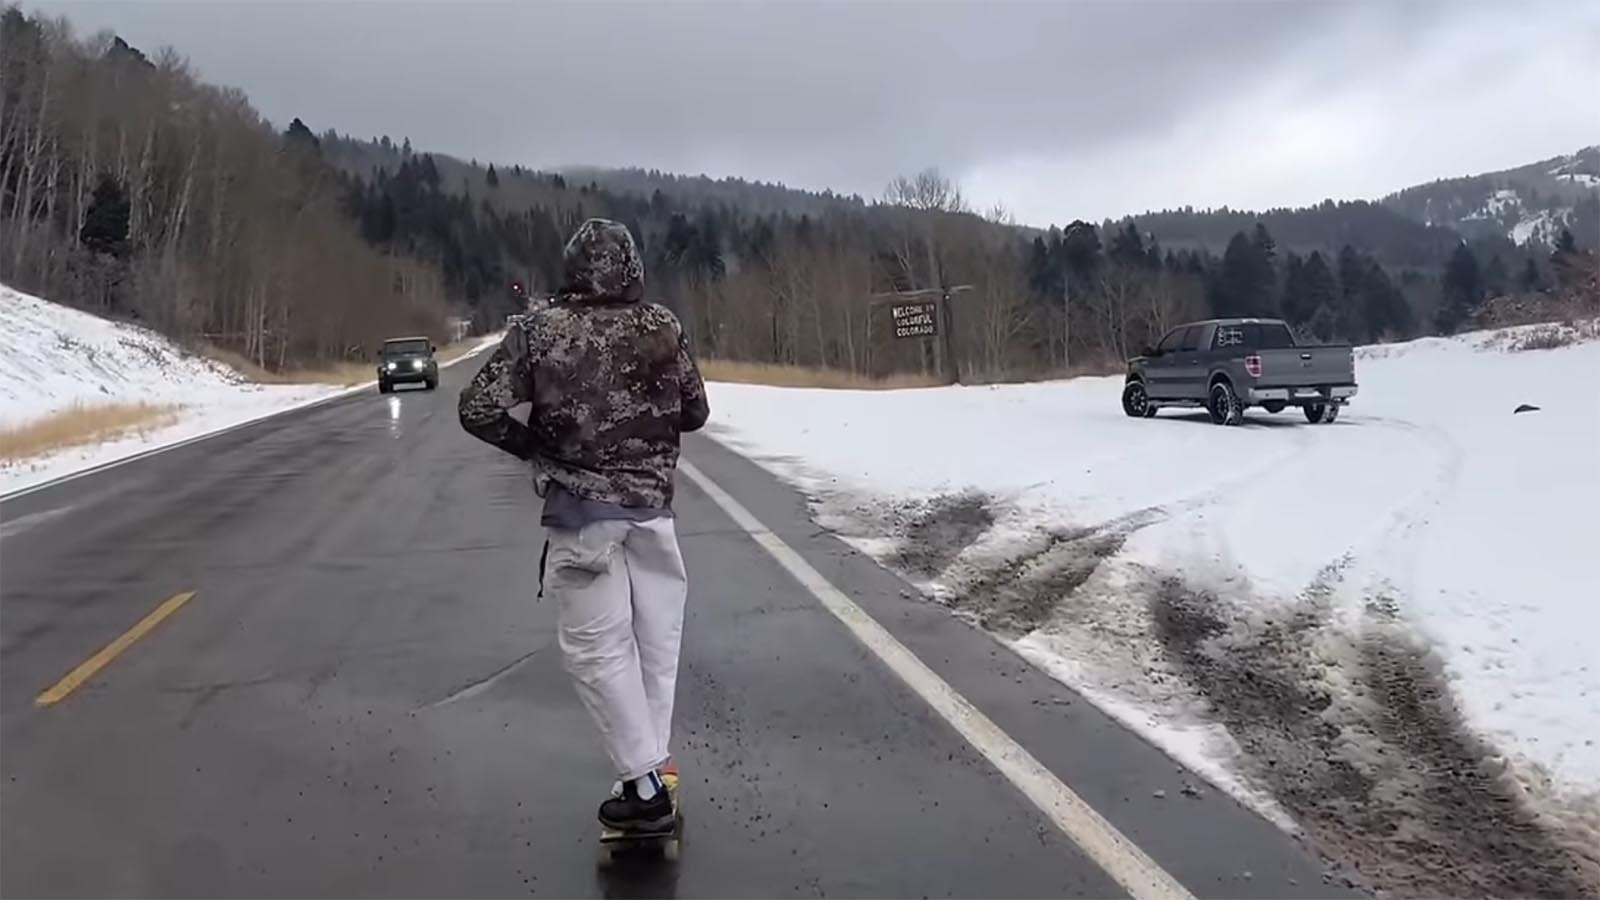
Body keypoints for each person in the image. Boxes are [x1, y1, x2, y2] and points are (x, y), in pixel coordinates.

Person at [458, 218, 709, 831]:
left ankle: (644, 786)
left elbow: (477, 408)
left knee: (598, 649)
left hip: (583, 516)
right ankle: (652, 765)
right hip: (653, 511)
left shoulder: (540, 332)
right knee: (656, 645)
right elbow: (696, 412)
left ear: (572, 269)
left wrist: (536, 448)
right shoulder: (663, 326)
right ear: (632, 268)